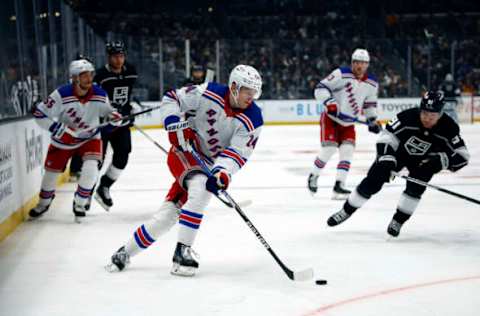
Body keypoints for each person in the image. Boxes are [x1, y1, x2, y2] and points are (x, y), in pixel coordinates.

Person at [106, 65, 263, 277]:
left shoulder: (254, 118)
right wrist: (172, 123)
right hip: (184, 151)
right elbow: (172, 98)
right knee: (200, 187)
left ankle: (125, 252)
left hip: (207, 162)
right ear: (234, 86)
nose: (251, 96)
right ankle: (182, 252)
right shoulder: (208, 92)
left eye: (254, 91)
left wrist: (222, 172)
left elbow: (237, 153)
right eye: (247, 90)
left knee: (167, 216)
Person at [327, 91, 469, 237]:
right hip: (398, 155)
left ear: (440, 114)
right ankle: (346, 211)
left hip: (425, 162)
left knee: (415, 189)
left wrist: (440, 161)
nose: (427, 118)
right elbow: (387, 136)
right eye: (424, 113)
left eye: (432, 116)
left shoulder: (449, 128)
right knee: (374, 180)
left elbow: (463, 156)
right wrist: (387, 156)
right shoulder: (407, 117)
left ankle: (398, 221)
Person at [28, 59, 121, 222]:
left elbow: (109, 115)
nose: (89, 78)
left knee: (92, 169)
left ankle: (80, 202)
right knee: (50, 176)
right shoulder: (61, 94)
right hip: (63, 141)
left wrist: (115, 119)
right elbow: (39, 114)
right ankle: (44, 203)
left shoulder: (99, 93)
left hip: (90, 137)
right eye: (84, 75)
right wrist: (56, 128)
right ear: (75, 78)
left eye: (90, 74)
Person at [307, 48, 382, 200]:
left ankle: (339, 185)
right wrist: (330, 103)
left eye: (363, 63)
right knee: (329, 149)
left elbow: (369, 105)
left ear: (367, 65)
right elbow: (320, 89)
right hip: (331, 119)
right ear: (352, 63)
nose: (359, 66)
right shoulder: (340, 74)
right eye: (356, 62)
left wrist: (372, 120)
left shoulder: (372, 83)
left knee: (347, 151)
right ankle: (314, 175)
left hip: (348, 123)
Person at [94, 41, 138, 210]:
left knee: (123, 154)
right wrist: (108, 111)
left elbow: (127, 96)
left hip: (122, 123)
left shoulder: (131, 72)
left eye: (121, 56)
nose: (119, 60)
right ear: (108, 57)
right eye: (115, 56)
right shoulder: (100, 75)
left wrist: (129, 110)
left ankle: (104, 186)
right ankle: (84, 195)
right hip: (103, 123)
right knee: (96, 161)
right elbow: (94, 99)